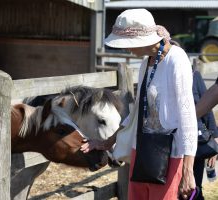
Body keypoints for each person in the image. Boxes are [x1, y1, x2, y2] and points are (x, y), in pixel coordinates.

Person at [81, 9, 198, 200]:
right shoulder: (146, 63)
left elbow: (188, 117)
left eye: (127, 44)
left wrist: (188, 169)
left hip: (169, 156)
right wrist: (106, 143)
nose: (127, 49)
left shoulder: (177, 59)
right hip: (142, 152)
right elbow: (136, 114)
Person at [192, 70, 218, 200]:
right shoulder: (152, 70)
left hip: (196, 138)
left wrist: (215, 138)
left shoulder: (193, 74)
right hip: (165, 140)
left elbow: (207, 107)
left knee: (195, 187)